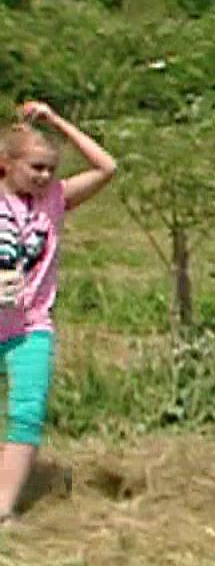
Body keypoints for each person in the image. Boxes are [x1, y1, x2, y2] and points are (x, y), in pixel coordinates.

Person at [0, 102, 117, 522]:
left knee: (26, 412)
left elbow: (107, 167)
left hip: (30, 326)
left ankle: (3, 508)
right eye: (35, 167)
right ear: (7, 164)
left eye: (51, 168)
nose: (45, 176)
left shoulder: (55, 199)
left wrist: (57, 123)